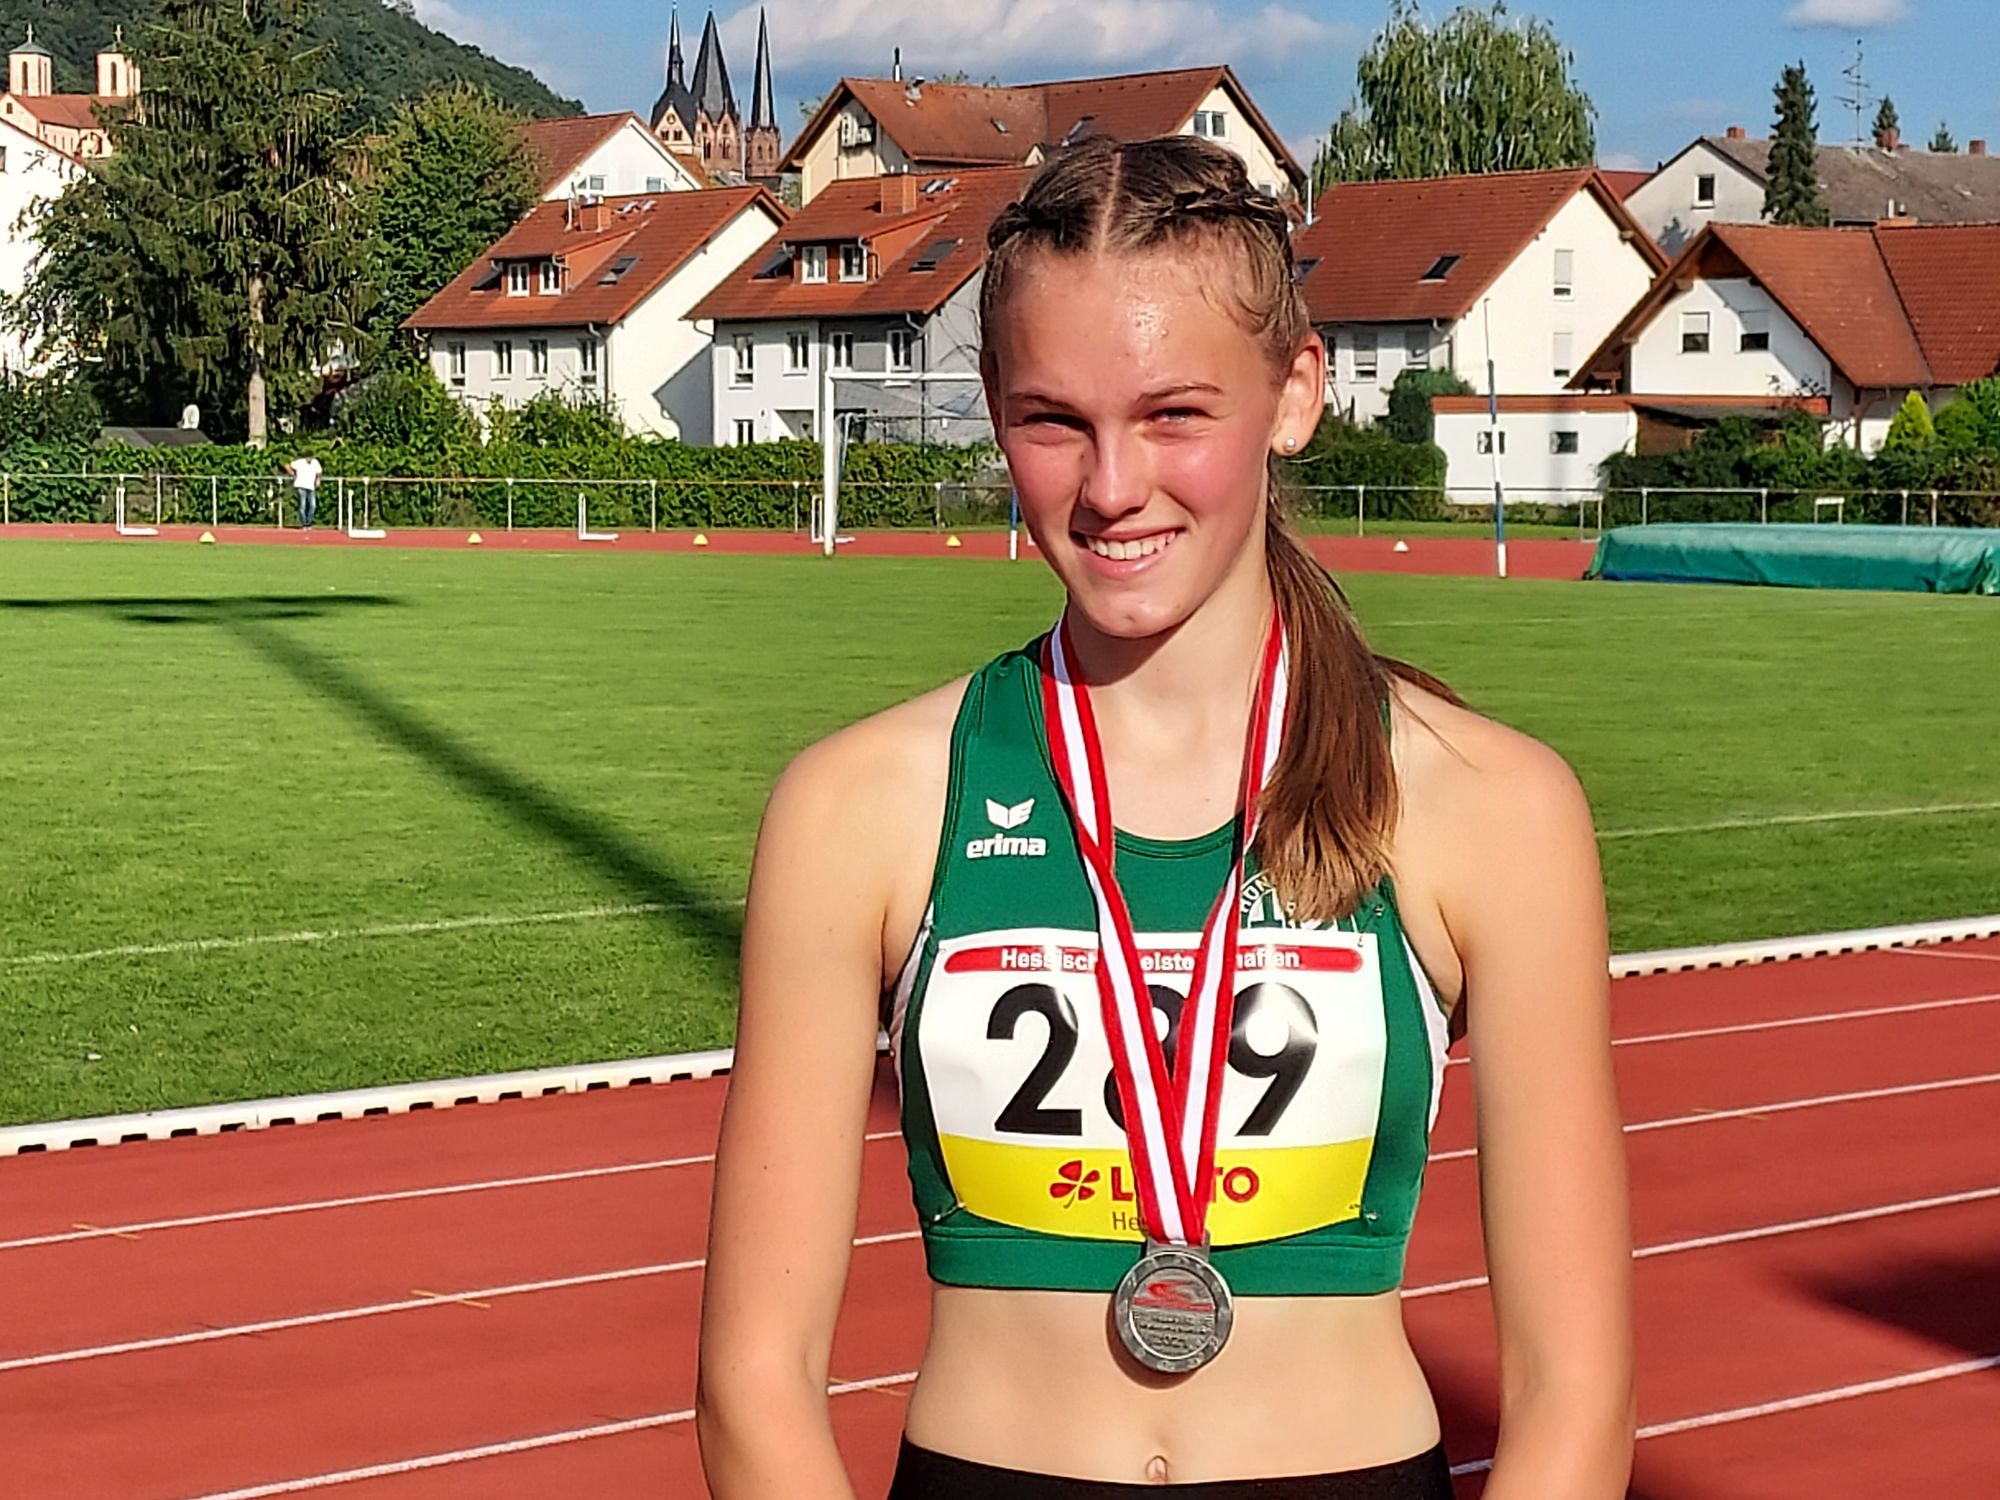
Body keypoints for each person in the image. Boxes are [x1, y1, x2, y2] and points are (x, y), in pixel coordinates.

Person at [698, 135, 1633, 1500]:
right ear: (991, 407)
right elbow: (752, 1381)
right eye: (1053, 421)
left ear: (1295, 393)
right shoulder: (857, 807)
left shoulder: (1489, 806)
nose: (1111, 486)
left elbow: (1575, 1397)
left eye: (1174, 415)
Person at [285, 452, 323, 531]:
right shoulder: (300, 462)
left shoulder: (315, 463)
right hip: (301, 485)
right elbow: (287, 465)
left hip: (311, 486)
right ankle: (304, 523)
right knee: (303, 505)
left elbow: (319, 472)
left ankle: (309, 522)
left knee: (313, 505)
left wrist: (318, 480)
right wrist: (292, 473)